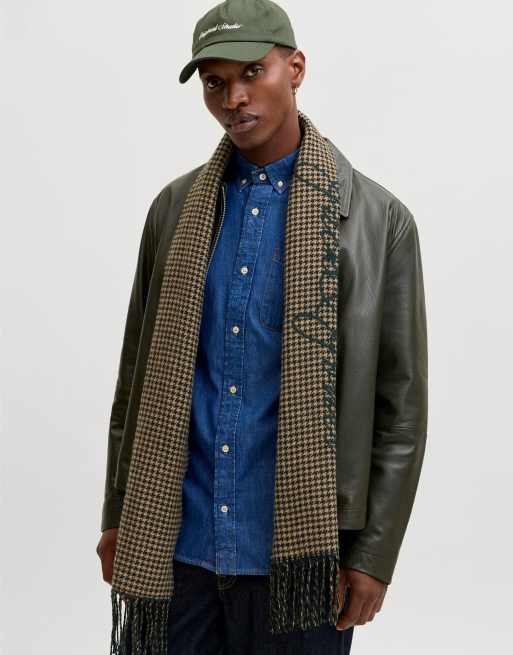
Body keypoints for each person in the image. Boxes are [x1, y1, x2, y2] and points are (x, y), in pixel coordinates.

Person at [96, 1, 428, 653]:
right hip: (177, 545)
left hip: (302, 560)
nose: (234, 98)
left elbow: (401, 410)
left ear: (295, 68)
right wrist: (119, 512)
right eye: (214, 82)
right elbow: (135, 382)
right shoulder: (174, 210)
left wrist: (372, 553)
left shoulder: (379, 222)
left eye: (253, 72)